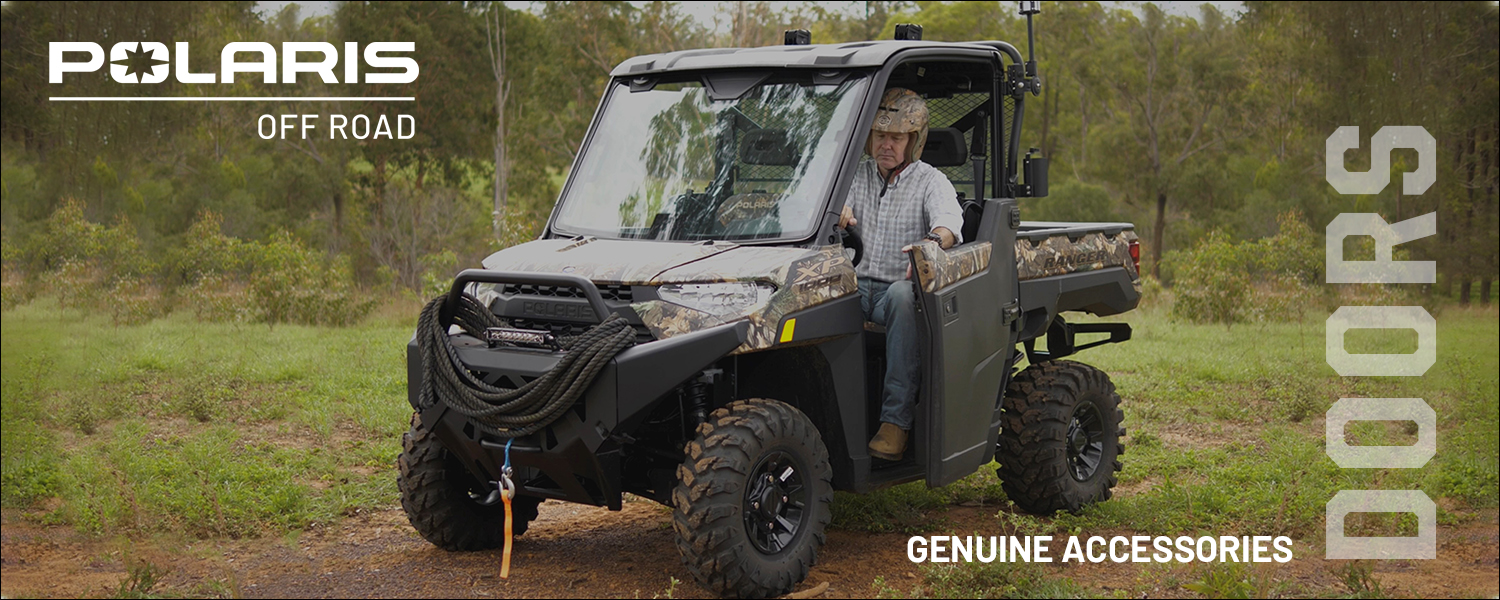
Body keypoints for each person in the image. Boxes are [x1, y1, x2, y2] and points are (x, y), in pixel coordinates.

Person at [838, 88, 963, 461]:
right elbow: (832, 206)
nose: (886, 145)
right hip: (852, 287)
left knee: (902, 296)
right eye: (880, 135)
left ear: (914, 140)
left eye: (896, 137)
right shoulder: (854, 174)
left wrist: (930, 243)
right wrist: (837, 212)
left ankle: (895, 424)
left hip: (895, 293)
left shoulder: (931, 181)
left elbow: (949, 225)